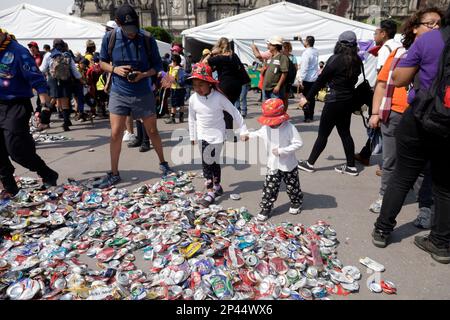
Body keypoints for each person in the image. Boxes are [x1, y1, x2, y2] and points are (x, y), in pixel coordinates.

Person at [371, 6, 450, 264]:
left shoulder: (430, 40)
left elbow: (400, 78)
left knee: (402, 176)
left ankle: (383, 229)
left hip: (421, 117)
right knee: (444, 185)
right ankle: (440, 242)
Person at [99, 4, 173, 186]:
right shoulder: (109, 38)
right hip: (119, 92)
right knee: (116, 133)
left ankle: (163, 163)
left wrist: (143, 74)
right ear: (118, 23)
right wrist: (115, 69)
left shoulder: (147, 38)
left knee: (153, 131)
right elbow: (102, 63)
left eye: (134, 28)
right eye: (127, 29)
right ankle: (114, 172)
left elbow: (157, 66)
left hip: (143, 92)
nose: (132, 33)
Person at [0, 28, 58, 198]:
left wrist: (45, 106)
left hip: (16, 105)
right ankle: (10, 188)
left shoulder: (18, 51)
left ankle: (47, 173)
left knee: (17, 149)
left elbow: (36, 78)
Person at [298, 31, 362, 176]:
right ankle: (351, 166)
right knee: (345, 133)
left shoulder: (335, 59)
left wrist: (307, 98)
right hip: (348, 100)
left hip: (334, 101)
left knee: (323, 134)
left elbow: (320, 81)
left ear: (340, 43)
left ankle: (309, 163)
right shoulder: (357, 60)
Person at [188, 63, 248, 208]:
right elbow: (192, 118)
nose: (198, 88)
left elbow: (234, 112)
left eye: (201, 84)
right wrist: (193, 136)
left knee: (214, 162)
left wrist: (244, 129)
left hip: (218, 136)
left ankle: (217, 185)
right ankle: (209, 192)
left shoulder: (219, 98)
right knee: (206, 162)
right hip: (203, 136)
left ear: (209, 83)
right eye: (195, 85)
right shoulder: (193, 99)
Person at [244, 98, 304, 222]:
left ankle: (296, 202)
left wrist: (283, 150)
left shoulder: (289, 128)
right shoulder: (266, 127)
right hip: (273, 164)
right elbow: (258, 133)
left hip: (288, 164)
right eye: (269, 122)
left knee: (292, 186)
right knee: (269, 187)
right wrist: (248, 136)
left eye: (274, 122)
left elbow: (298, 143)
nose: (271, 124)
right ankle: (266, 207)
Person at [355, 19, 402, 167]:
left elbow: (382, 77)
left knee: (380, 128)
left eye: (376, 33)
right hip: (397, 92)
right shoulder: (399, 46)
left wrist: (376, 97)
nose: (374, 36)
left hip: (386, 95)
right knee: (384, 130)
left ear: (383, 33)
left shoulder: (384, 50)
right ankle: (365, 154)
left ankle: (385, 165)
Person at [203, 37, 246, 141]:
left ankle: (227, 134)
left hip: (225, 86)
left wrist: (211, 53)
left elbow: (204, 62)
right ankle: (229, 133)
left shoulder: (220, 58)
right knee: (229, 109)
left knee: (223, 110)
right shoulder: (234, 56)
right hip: (237, 86)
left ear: (219, 46)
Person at [40, 38, 82, 131]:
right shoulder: (67, 55)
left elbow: (42, 69)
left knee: (50, 101)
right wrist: (81, 79)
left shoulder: (48, 55)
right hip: (65, 81)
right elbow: (74, 71)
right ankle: (66, 123)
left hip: (53, 80)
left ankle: (44, 122)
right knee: (65, 102)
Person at [298, 36, 319, 122]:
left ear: (307, 42)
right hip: (314, 78)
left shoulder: (306, 53)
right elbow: (308, 47)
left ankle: (307, 117)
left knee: (305, 98)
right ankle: (311, 115)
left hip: (307, 78)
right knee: (312, 98)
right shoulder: (315, 51)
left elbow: (304, 67)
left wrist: (300, 79)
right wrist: (301, 41)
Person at [263, 36, 289, 101]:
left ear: (275, 46)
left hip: (275, 90)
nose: (268, 46)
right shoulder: (270, 57)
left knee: (275, 110)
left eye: (270, 44)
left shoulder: (282, 57)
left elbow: (284, 73)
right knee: (267, 110)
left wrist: (278, 86)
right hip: (266, 88)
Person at [165, 54, 186, 124]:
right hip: (182, 88)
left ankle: (172, 118)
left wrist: (168, 74)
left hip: (175, 88)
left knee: (173, 104)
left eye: (172, 61)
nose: (171, 62)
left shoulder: (175, 69)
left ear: (174, 61)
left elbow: (172, 79)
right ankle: (181, 118)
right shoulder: (181, 67)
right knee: (181, 103)